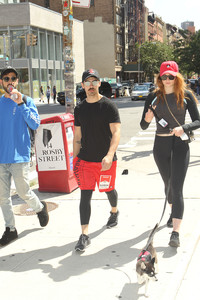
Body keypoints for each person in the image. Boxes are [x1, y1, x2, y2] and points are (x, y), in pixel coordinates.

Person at [140, 61, 200, 248]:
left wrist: (184, 127)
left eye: (170, 76)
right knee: (168, 185)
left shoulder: (186, 95)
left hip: (180, 143)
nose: (167, 80)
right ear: (159, 78)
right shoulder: (152, 97)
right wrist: (148, 118)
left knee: (177, 187)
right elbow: (143, 125)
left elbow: (198, 121)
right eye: (163, 76)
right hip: (161, 145)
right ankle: (172, 211)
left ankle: (175, 232)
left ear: (177, 77)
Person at [0, 66, 49, 247]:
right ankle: (10, 229)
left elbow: (35, 124)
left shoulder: (26, 101)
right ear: (1, 82)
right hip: (1, 158)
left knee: (23, 192)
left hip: (19, 157)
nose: (10, 81)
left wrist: (20, 104)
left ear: (18, 81)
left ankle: (40, 208)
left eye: (13, 78)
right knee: (3, 197)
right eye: (6, 78)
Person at [73, 69, 121, 251]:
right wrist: (74, 159)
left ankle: (114, 211)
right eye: (88, 82)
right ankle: (84, 235)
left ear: (99, 84)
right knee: (85, 195)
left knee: (108, 189)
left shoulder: (108, 106)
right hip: (85, 160)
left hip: (105, 161)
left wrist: (109, 155)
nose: (91, 85)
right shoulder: (80, 108)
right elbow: (77, 135)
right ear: (83, 85)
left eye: (94, 81)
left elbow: (116, 132)